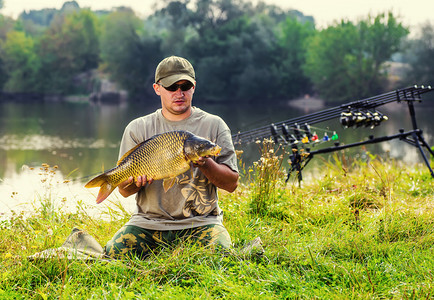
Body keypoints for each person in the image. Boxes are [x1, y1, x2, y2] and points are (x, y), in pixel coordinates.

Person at [104, 56, 239, 258]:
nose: (179, 93)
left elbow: (231, 184)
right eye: (171, 87)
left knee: (222, 254)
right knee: (116, 251)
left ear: (194, 87)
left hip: (201, 223)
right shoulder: (138, 128)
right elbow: (124, 191)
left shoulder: (214, 125)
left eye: (185, 86)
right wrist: (136, 183)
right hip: (148, 223)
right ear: (157, 88)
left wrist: (205, 164)